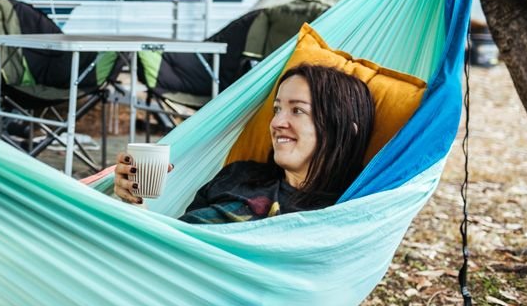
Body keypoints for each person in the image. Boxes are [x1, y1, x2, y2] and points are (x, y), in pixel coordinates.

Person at [114, 64, 375, 223]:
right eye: (276, 109)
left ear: (343, 130)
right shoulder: (238, 175)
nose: (276, 123)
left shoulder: (344, 211)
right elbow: (178, 243)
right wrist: (135, 204)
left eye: (297, 111)